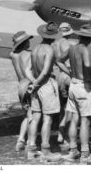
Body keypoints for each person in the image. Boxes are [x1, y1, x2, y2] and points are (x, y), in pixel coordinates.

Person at [63, 24, 91, 164]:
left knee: (75, 118)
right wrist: (90, 78)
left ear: (80, 35)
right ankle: (85, 155)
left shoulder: (72, 47)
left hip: (73, 85)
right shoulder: (85, 50)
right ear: (90, 38)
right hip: (83, 86)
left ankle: (73, 151)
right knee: (85, 121)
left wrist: (70, 72)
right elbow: (87, 65)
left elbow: (59, 60)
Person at [27, 22, 62, 161]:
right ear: (53, 36)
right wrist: (37, 83)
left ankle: (31, 149)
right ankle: (46, 151)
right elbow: (46, 71)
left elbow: (27, 69)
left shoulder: (35, 49)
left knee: (35, 118)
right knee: (47, 119)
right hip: (46, 85)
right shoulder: (49, 49)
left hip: (36, 86)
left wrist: (34, 82)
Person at [9, 31, 35, 152]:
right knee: (32, 116)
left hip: (20, 85)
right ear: (25, 43)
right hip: (29, 84)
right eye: (28, 40)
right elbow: (29, 72)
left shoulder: (13, 55)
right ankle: (30, 142)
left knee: (26, 115)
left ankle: (21, 140)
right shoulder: (29, 55)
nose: (30, 42)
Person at [52, 22, 77, 144]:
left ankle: (60, 135)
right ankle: (66, 135)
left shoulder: (53, 44)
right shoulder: (69, 44)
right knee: (71, 108)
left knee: (62, 107)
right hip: (67, 75)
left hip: (57, 77)